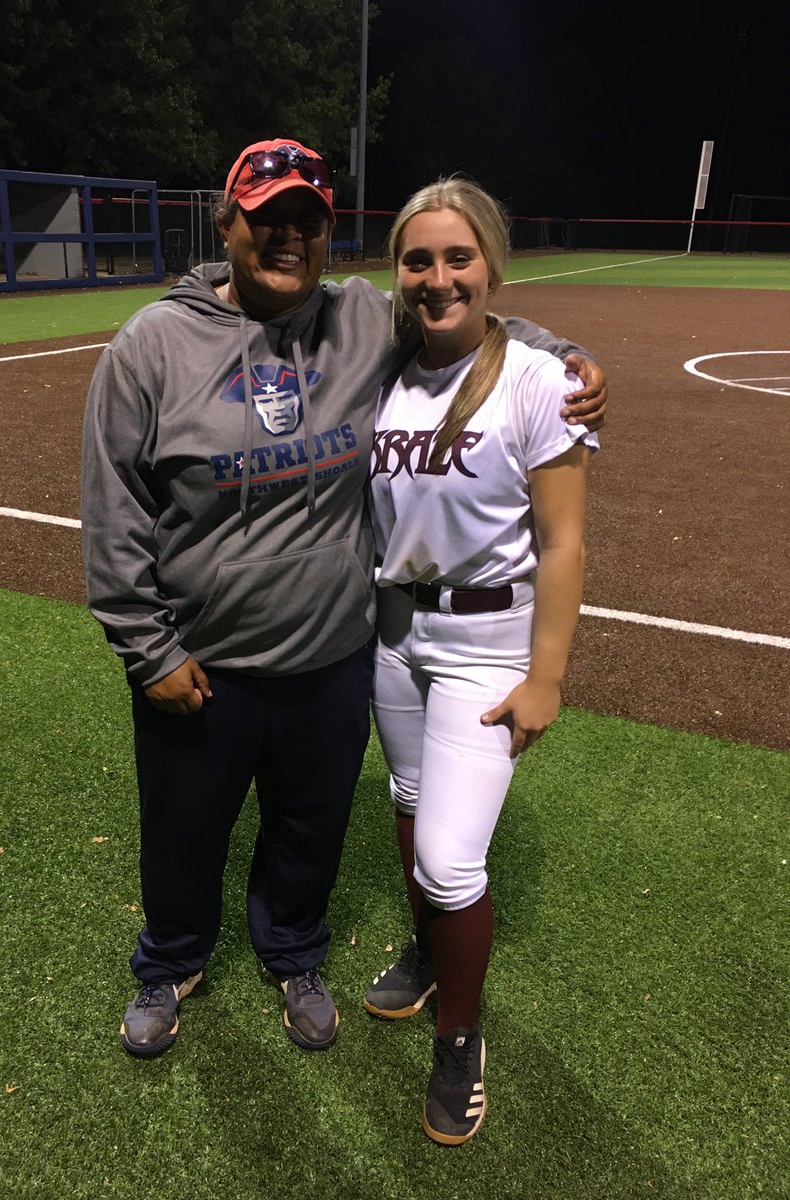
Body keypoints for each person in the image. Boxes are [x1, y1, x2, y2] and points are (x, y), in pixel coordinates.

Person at [80, 138, 607, 1060]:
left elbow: (464, 322)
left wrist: (562, 354)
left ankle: (293, 954)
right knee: (182, 833)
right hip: (201, 660)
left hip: (332, 658)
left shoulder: (359, 319)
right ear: (227, 220)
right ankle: (169, 962)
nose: (287, 237)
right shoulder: (151, 345)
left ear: (328, 237)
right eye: (268, 218)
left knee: (309, 830)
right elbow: (114, 510)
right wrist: (147, 649)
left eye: (308, 222)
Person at [363, 178, 598, 1144]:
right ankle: (426, 957)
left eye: (458, 257)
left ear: (493, 264)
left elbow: (565, 541)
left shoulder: (541, 381)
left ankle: (461, 1037)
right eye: (419, 259)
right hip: (393, 635)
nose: (438, 277)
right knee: (410, 810)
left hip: (486, 648)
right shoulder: (384, 370)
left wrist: (546, 676)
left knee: (452, 860)